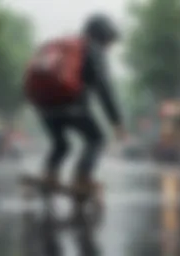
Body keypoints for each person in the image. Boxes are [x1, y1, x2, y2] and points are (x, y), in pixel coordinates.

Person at [28, 14, 125, 195]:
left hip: (45, 107)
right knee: (97, 139)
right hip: (72, 106)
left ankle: (50, 174)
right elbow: (104, 88)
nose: (109, 47)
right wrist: (116, 122)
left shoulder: (65, 46)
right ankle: (82, 177)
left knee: (61, 144)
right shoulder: (93, 49)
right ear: (103, 36)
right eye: (110, 41)